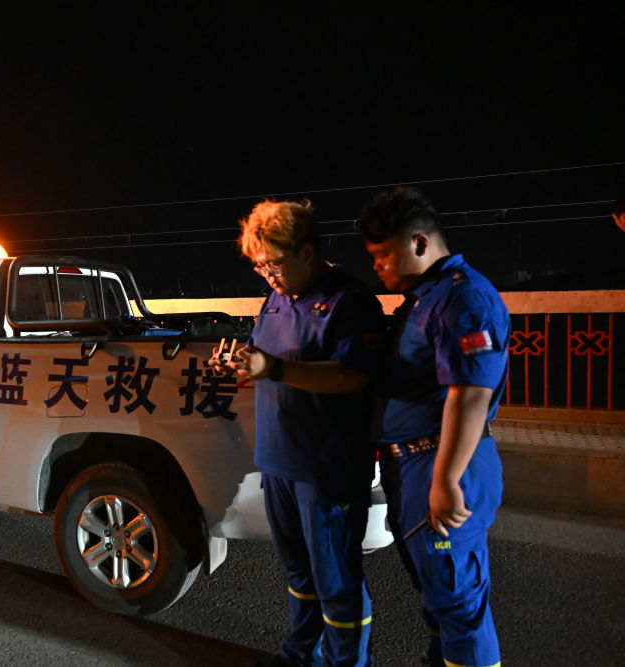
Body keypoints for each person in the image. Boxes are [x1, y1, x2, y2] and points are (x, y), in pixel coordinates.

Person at [211, 199, 384, 667]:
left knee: (336, 579)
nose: (267, 275)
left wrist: (275, 369)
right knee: (299, 573)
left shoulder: (350, 301)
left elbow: (353, 376)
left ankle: (348, 662)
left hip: (327, 466)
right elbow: (268, 361)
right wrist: (242, 367)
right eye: (259, 266)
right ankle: (301, 653)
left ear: (307, 252)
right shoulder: (275, 300)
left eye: (274, 263)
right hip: (279, 461)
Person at [358, 187, 509, 667]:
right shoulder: (425, 299)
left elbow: (472, 392)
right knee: (440, 597)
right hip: (416, 464)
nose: (377, 267)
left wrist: (445, 479)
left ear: (419, 242)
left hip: (441, 461)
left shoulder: (462, 297)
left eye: (383, 255)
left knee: (459, 603)